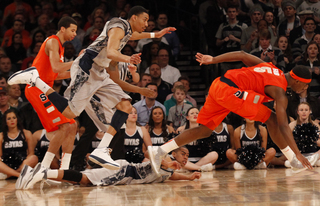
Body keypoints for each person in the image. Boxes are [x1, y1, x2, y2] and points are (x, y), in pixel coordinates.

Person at [8, 6, 175, 172]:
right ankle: (35, 80)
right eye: (145, 19)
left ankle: (102, 150)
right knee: (69, 115)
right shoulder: (118, 27)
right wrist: (128, 58)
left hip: (99, 72)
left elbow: (137, 35)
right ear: (134, 18)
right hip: (87, 68)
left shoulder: (125, 30)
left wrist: (156, 35)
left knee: (125, 105)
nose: (147, 23)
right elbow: (110, 52)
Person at [148, 50, 319, 177]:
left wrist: (214, 59)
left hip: (218, 86)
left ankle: (160, 150)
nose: (305, 89)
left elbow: (242, 54)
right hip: (231, 92)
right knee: (272, 119)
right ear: (297, 81)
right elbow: (282, 126)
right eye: (305, 85)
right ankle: (294, 160)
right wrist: (297, 152)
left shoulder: (270, 67)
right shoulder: (280, 92)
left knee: (204, 130)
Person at [9, 16, 79, 189]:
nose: (75, 34)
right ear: (62, 29)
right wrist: (78, 62)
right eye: (72, 30)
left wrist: (81, 71)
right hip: (36, 88)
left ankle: (65, 170)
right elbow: (56, 67)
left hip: (46, 88)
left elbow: (57, 74)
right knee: (64, 127)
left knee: (72, 125)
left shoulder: (59, 47)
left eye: (76, 31)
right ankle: (44, 168)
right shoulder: (53, 42)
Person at [16, 146, 201, 189]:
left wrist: (189, 177)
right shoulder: (165, 156)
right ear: (175, 152)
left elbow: (170, 177)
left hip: (125, 177)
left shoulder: (172, 168)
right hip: (124, 170)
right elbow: (147, 153)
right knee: (85, 179)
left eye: (188, 155)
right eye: (183, 153)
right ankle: (42, 172)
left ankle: (40, 174)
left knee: (83, 181)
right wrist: (167, 162)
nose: (186, 157)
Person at [176, 107, 219, 172]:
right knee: (172, 156)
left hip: (201, 160)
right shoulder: (182, 131)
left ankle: (191, 168)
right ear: (187, 117)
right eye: (192, 113)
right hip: (185, 161)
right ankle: (199, 168)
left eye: (197, 113)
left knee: (214, 154)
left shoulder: (205, 131)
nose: (195, 115)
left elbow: (209, 148)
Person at [0, 109, 38, 179]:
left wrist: (25, 163)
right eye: (9, 118)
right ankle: (19, 175)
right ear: (5, 122)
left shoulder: (26, 133)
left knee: (34, 158)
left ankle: (10, 174)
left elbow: (31, 153)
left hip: (22, 163)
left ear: (17, 120)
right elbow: (0, 155)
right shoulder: (1, 136)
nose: (12, 120)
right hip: (7, 164)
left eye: (14, 118)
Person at [285, 102, 320, 167]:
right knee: (287, 162)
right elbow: (287, 142)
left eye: (306, 110)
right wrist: (299, 140)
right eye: (301, 110)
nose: (304, 112)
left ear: (310, 112)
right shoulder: (292, 125)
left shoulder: (315, 125)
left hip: (313, 154)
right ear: (298, 112)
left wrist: (311, 140)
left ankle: (308, 161)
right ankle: (307, 162)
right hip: (298, 154)